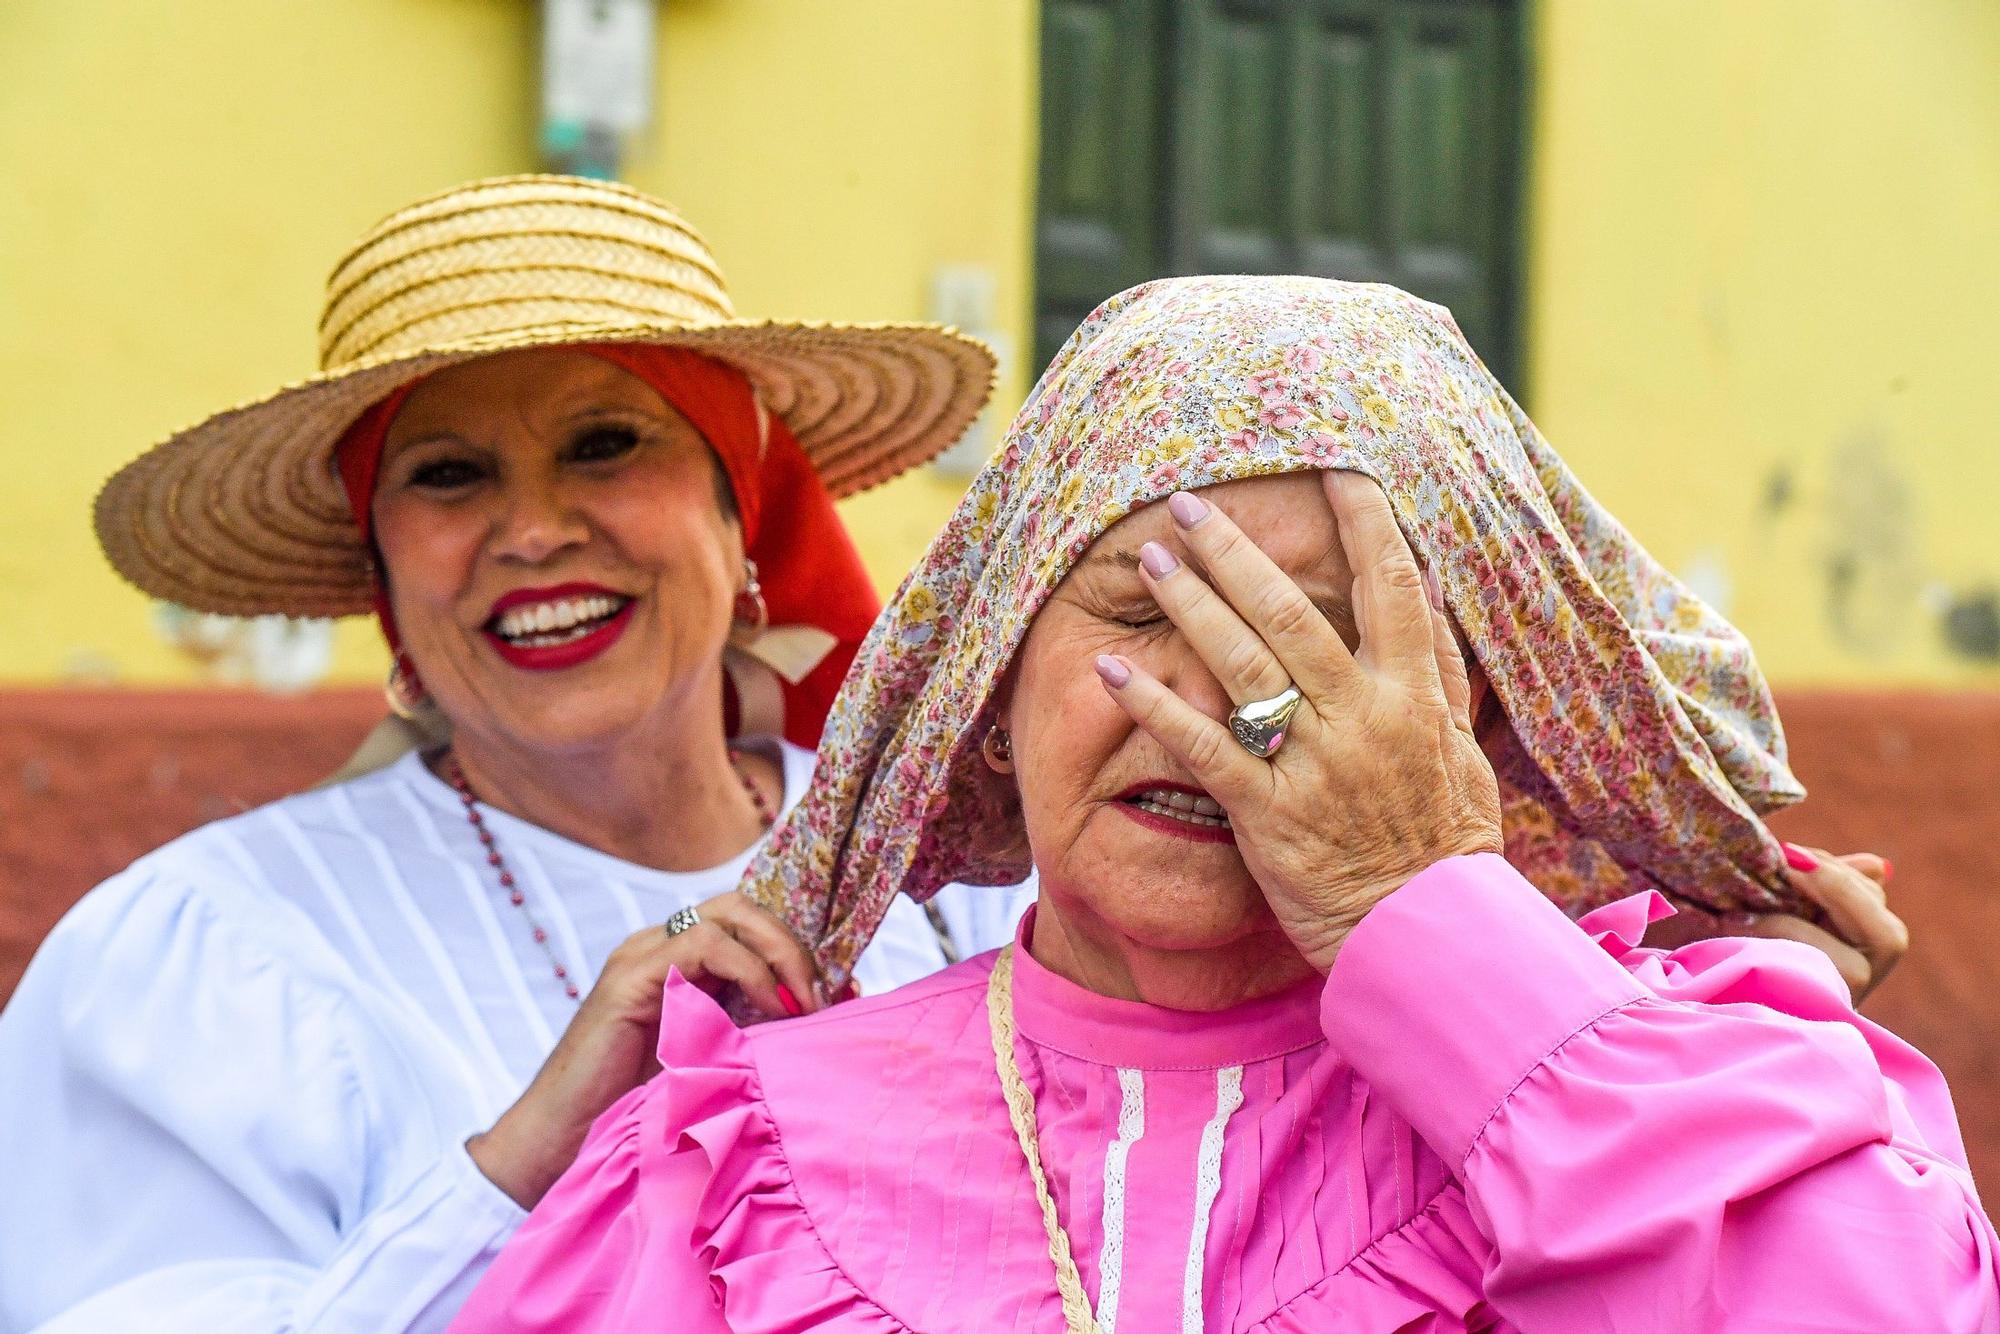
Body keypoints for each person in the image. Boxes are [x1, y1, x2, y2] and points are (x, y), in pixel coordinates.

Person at [458, 276, 1990, 1332]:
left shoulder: (1701, 1088)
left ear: (1482, 710)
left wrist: (1433, 921)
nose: (1224, 711)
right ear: (993, 672)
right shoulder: (736, 1151)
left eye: (1325, 638)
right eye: (1142, 608)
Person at [0, 175, 1031, 1333]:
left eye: (605, 445)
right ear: (382, 569)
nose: (534, 531)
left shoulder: (962, 891)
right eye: (447, 473)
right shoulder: (214, 963)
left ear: (739, 511)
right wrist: (523, 1159)